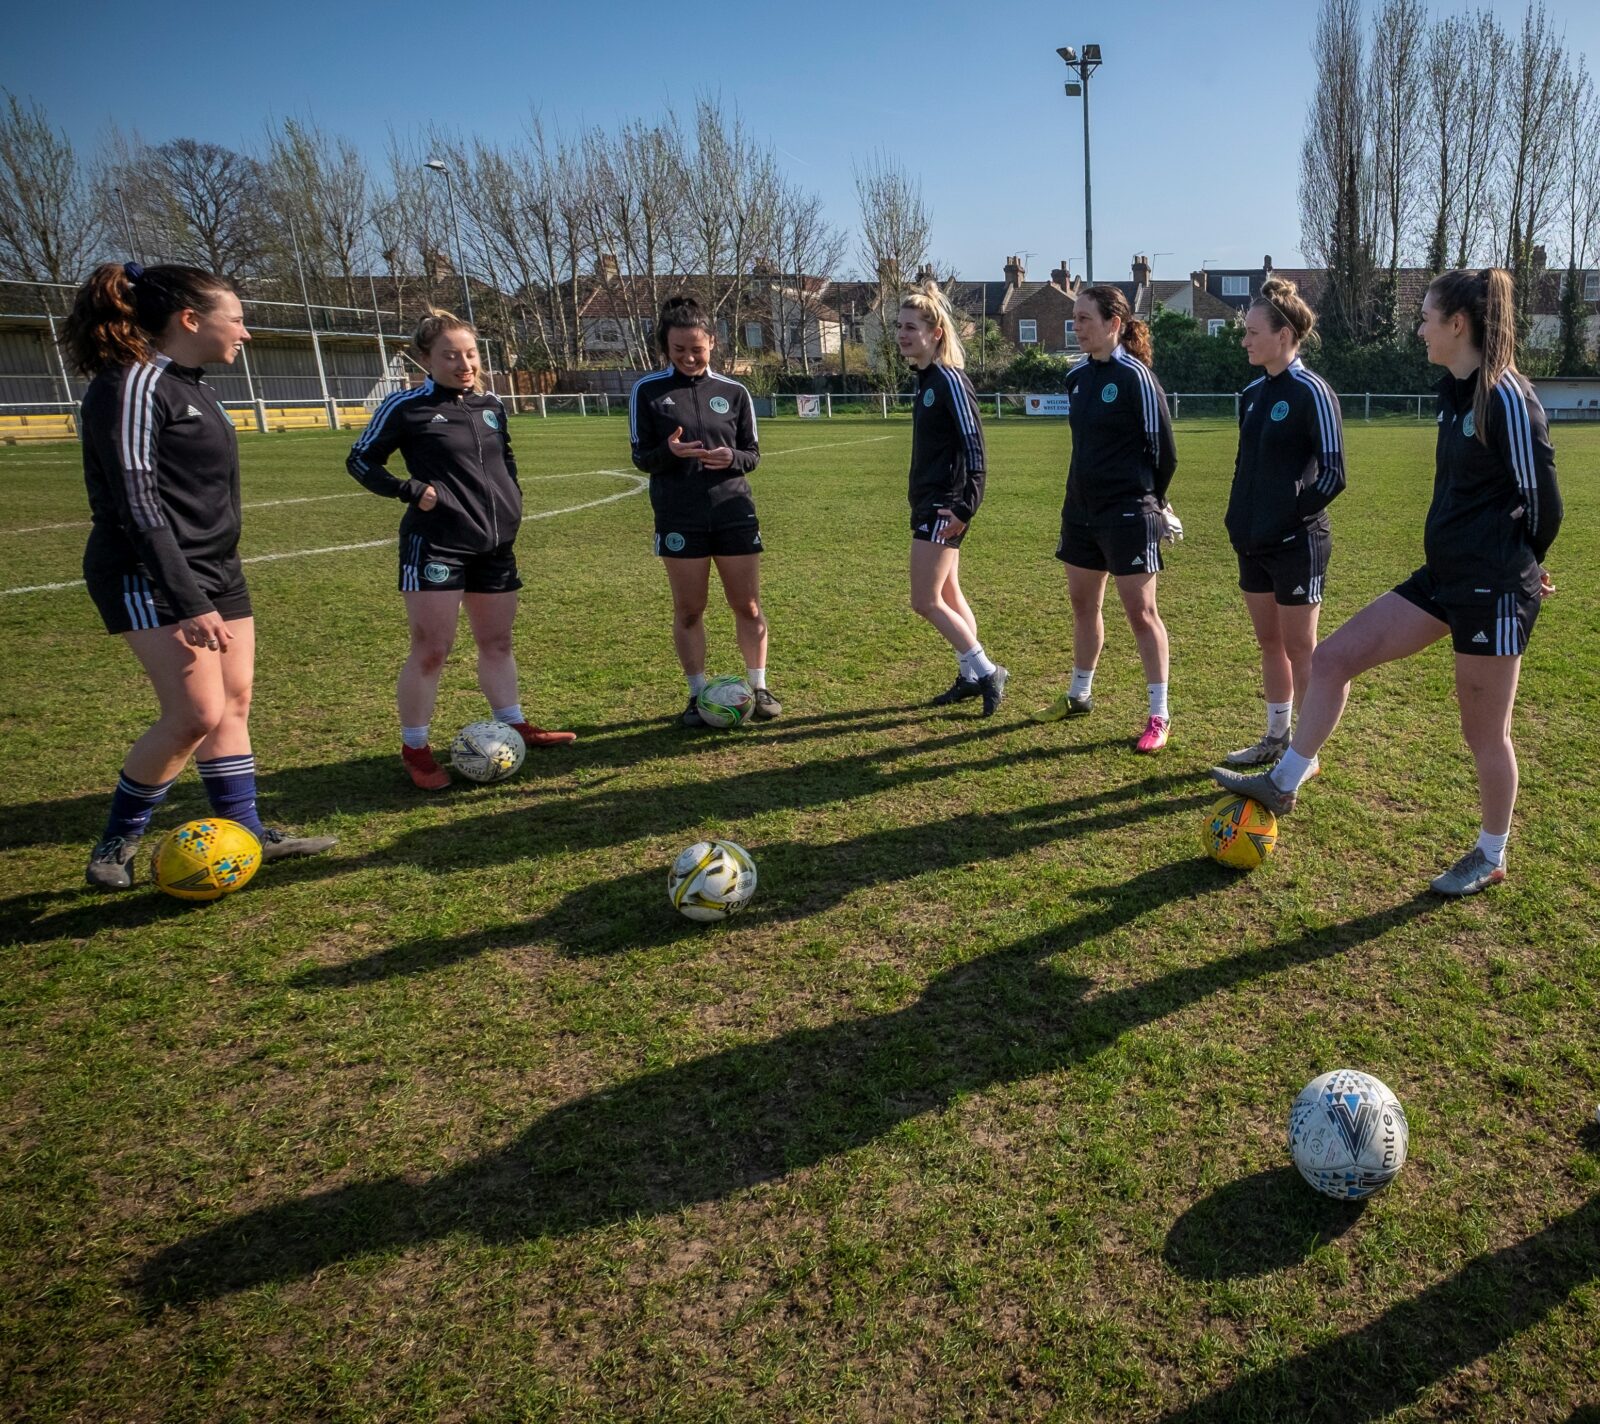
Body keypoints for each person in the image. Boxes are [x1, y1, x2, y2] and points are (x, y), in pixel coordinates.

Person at [1212, 268, 1562, 896]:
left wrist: (1523, 569)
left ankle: (1490, 852)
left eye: (1426, 317)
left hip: (1493, 590)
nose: (1419, 328)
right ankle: (1284, 780)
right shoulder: (1455, 394)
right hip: (1443, 578)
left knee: (1484, 733)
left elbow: (1544, 503)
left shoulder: (1507, 396)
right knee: (1334, 657)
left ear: (1458, 325)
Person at [65, 262, 336, 888]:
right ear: (191, 319)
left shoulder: (196, 385)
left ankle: (246, 832)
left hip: (217, 572)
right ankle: (116, 844)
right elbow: (138, 504)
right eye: (236, 319)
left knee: (233, 704)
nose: (244, 332)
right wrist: (185, 596)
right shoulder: (132, 384)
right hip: (147, 573)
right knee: (194, 713)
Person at [347, 309, 575, 789]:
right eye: (450, 355)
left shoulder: (491, 404)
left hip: (495, 545)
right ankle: (416, 748)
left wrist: (512, 504)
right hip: (436, 546)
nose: (463, 363)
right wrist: (409, 491)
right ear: (426, 358)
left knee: (497, 642)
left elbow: (504, 459)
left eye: (470, 354)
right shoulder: (405, 407)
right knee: (432, 649)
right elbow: (360, 460)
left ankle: (512, 723)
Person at [1033, 285, 1180, 751]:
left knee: (1142, 613)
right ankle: (1079, 694)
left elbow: (1165, 452)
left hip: (1128, 514)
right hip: (1080, 513)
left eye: (1084, 319)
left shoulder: (1137, 377)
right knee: (1083, 606)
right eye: (1074, 320)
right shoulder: (1077, 379)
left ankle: (1159, 715)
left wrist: (1154, 502)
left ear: (1114, 323)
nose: (1076, 328)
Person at [629, 295, 780, 726]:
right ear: (666, 348)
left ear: (712, 342)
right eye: (679, 350)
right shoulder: (648, 391)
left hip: (733, 511)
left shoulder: (734, 392)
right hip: (680, 517)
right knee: (690, 610)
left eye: (697, 348)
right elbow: (641, 457)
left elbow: (752, 454)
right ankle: (697, 695)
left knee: (747, 605)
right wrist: (670, 452)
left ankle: (759, 687)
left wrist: (729, 457)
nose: (689, 357)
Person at [1221, 276, 1346, 766]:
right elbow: (1243, 466)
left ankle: (1305, 750)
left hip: (1297, 543)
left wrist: (1289, 518)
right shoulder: (1252, 394)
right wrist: (1241, 519)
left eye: (1253, 332)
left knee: (1301, 647)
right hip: (1252, 542)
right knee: (1269, 642)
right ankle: (1276, 736)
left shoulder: (1312, 391)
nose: (1245, 340)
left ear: (1285, 334)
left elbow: (1334, 474)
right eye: (1245, 332)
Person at [896, 280, 1007, 715]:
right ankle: (968, 676)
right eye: (899, 326)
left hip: (946, 505)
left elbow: (974, 446)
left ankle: (985, 670)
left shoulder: (948, 380)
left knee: (924, 600)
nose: (903, 334)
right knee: (951, 593)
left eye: (911, 327)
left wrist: (966, 505)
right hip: (931, 501)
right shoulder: (926, 381)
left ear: (935, 332)